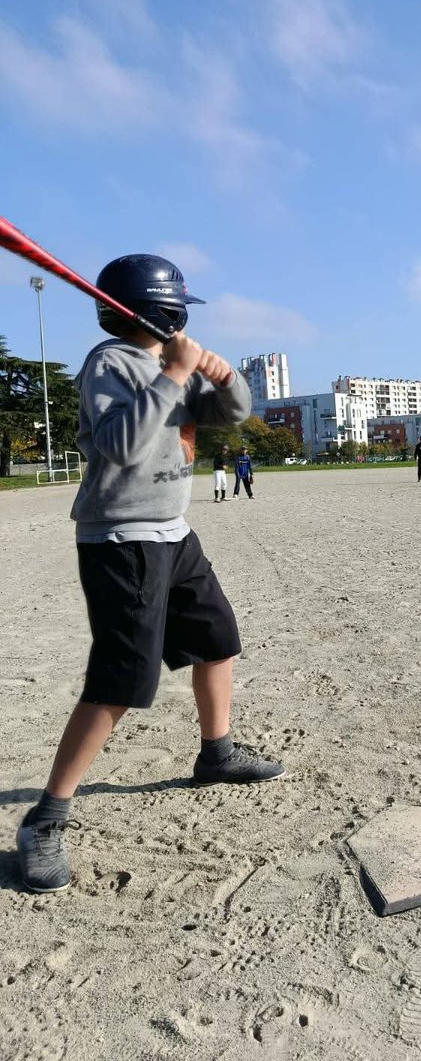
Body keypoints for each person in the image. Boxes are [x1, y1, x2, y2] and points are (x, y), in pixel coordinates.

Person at [16, 253, 283, 895]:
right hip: (121, 541)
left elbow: (234, 413)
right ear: (161, 311)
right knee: (122, 682)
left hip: (172, 533)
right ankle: (44, 821)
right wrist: (174, 373)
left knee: (217, 638)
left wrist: (221, 377)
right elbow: (119, 446)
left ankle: (216, 754)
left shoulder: (175, 365)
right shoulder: (109, 363)